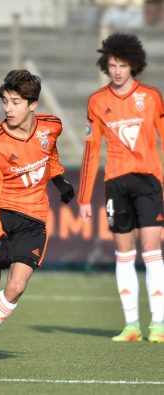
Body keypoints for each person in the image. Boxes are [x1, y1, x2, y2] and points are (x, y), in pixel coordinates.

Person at [0, 70, 74, 362]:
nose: (8, 108)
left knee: (16, 287)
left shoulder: (52, 126)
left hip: (34, 219)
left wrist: (59, 181)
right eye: (5, 101)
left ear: (32, 104)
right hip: (1, 216)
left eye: (15, 102)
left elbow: (51, 155)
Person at [78, 32, 164, 343]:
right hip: (115, 184)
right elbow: (91, 150)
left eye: (123, 65)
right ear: (106, 65)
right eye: (112, 64)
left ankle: (158, 325)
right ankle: (131, 326)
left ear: (134, 66)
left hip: (148, 181)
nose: (117, 70)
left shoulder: (151, 97)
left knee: (152, 251)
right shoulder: (97, 101)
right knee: (124, 253)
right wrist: (84, 197)